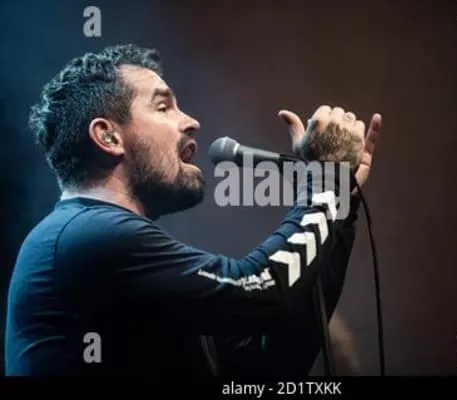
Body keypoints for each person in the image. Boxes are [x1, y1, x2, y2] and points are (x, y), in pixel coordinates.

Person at [4, 44, 382, 376]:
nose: (191, 121)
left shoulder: (127, 264)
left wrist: (339, 201)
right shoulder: (85, 236)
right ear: (108, 136)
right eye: (163, 106)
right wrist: (324, 186)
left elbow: (267, 365)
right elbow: (261, 287)